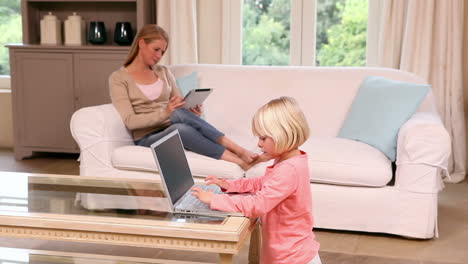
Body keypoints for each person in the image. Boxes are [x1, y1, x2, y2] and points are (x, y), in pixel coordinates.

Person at [109, 24, 257, 171]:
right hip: (146, 137)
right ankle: (240, 155)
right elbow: (130, 122)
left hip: (173, 126)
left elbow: (179, 104)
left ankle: (240, 158)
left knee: (181, 125)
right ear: (141, 43)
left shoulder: (164, 72)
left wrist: (191, 111)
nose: (159, 56)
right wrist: (165, 113)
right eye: (156, 49)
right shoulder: (119, 78)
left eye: (162, 51)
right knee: (177, 118)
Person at [191, 97, 321, 264]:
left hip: (292, 257)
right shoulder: (289, 161)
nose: (259, 144)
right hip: (290, 251)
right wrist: (229, 185)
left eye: (263, 138)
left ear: (284, 135)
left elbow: (258, 205)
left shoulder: (289, 169)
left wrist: (215, 199)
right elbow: (262, 183)